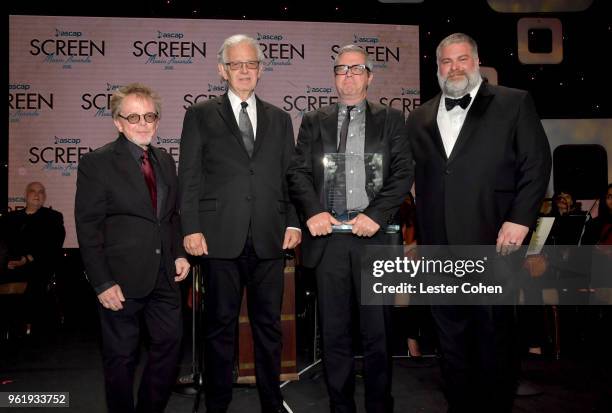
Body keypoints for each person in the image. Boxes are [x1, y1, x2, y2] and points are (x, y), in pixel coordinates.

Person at [406, 33, 552, 412]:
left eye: (462, 59)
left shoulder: (513, 102)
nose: (454, 68)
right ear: (436, 67)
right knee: (450, 341)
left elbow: (536, 164)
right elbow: (408, 176)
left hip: (494, 241)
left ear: (477, 61)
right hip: (439, 248)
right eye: (446, 61)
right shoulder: (420, 116)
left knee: (494, 338)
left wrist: (520, 220)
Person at [178, 34, 301, 413]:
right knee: (220, 328)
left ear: (261, 70)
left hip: (269, 237)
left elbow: (291, 175)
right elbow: (190, 176)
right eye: (237, 64)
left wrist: (294, 222)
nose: (245, 70)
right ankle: (217, 404)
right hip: (218, 238)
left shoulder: (280, 119)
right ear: (222, 70)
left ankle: (271, 402)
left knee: (268, 328)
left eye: (252, 64)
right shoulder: (199, 115)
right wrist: (191, 227)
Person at [287, 44, 413, 413]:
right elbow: (297, 172)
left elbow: (404, 171)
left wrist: (375, 214)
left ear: (370, 77)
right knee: (335, 333)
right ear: (334, 77)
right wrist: (312, 211)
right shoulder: (314, 120)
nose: (348, 75)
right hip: (329, 242)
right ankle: (340, 407)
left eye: (356, 69)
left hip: (375, 237)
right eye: (341, 69)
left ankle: (379, 406)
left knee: (379, 333)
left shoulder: (391, 119)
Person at [75, 83, 190, 413]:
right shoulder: (96, 163)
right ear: (117, 122)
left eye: (150, 116)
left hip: (165, 277)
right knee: (121, 358)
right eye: (134, 117)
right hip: (120, 281)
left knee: (170, 347)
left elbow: (171, 216)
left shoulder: (166, 160)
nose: (143, 123)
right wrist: (101, 282)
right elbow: (88, 226)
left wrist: (180, 253)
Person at [1, 182, 65, 334]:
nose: (37, 194)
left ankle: (29, 327)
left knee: (35, 281)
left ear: (45, 197)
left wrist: (28, 258)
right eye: (32, 191)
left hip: (38, 264)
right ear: (25, 195)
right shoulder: (10, 218)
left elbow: (53, 245)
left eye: (41, 192)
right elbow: (3, 244)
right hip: (11, 264)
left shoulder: (53, 217)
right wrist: (6, 262)